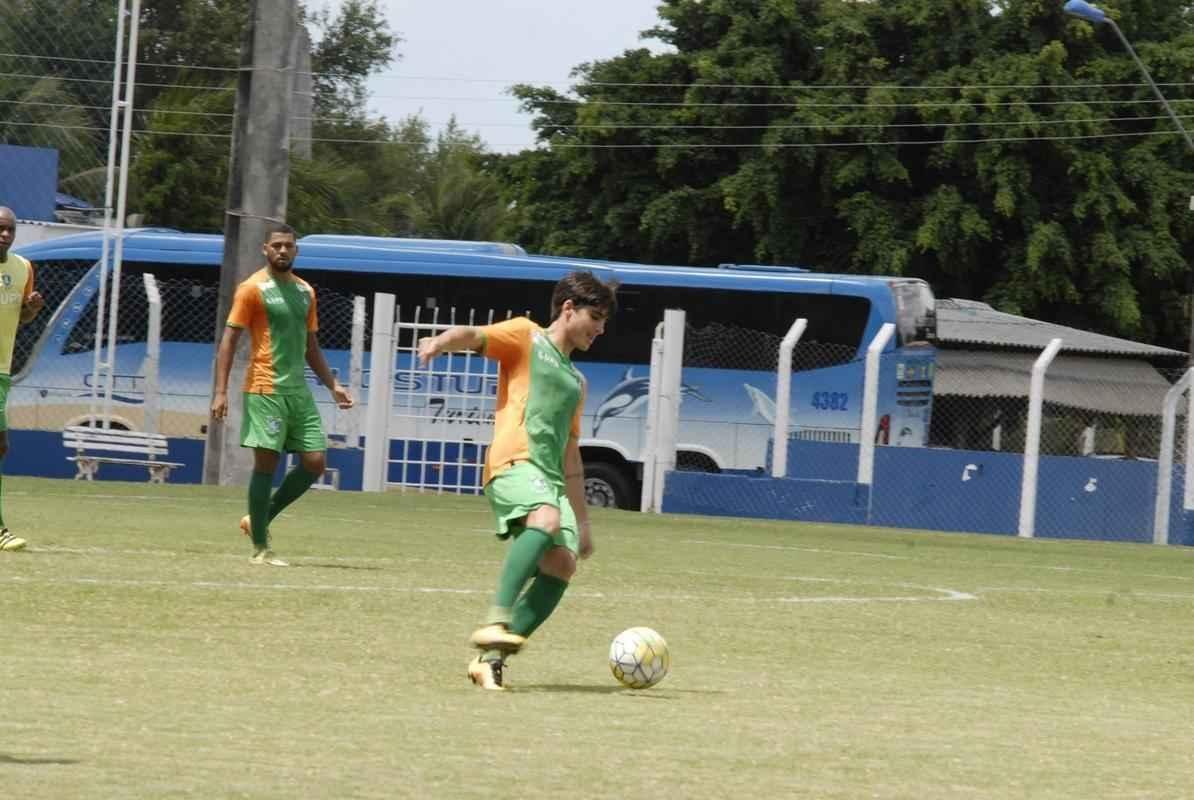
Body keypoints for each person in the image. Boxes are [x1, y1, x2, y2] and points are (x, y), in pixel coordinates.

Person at [417, 270, 618, 690]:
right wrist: (439, 342)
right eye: (595, 317)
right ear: (568, 308)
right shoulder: (527, 336)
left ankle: (489, 662)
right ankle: (496, 618)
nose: (600, 329)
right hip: (514, 463)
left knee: (562, 566)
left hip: (551, 481)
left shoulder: (576, 382)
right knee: (543, 520)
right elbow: (473, 335)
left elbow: (571, 455)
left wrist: (582, 522)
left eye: (604, 322)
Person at [211, 223, 353, 566]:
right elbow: (229, 341)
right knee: (267, 464)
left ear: (296, 251)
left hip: (298, 392)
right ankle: (261, 548)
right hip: (264, 388)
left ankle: (257, 519)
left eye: (288, 245)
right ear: (265, 249)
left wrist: (332, 384)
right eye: (276, 245)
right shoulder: (251, 289)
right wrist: (220, 392)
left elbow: (311, 347)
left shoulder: (306, 291)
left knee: (315, 462)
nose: (282, 251)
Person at [0, 208, 44, 552]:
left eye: (10, 229)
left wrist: (32, 308)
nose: (5, 235)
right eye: (0, 229)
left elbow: (23, 318)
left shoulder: (24, 268)